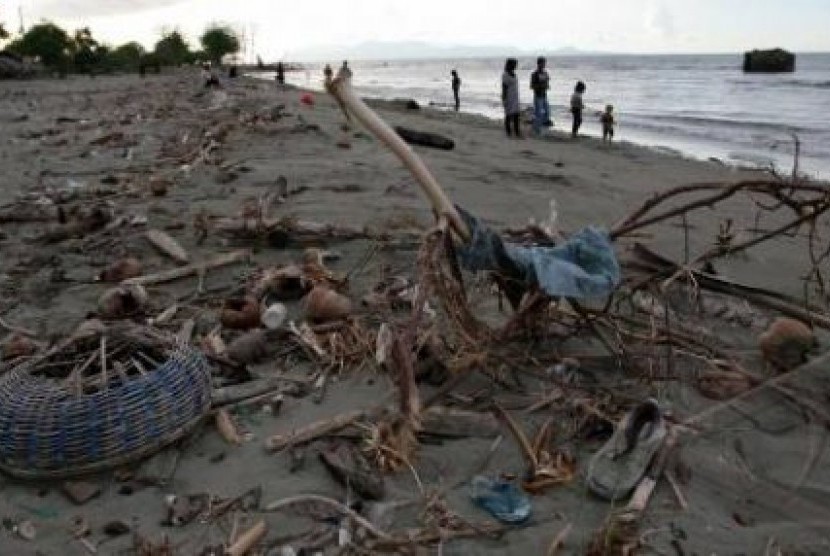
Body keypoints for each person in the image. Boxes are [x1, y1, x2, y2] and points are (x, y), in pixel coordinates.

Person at [530, 56, 551, 134]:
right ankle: (537, 129)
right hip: (538, 95)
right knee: (538, 113)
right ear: (538, 64)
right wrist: (540, 86)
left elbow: (547, 82)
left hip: (544, 95)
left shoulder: (545, 73)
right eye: (542, 63)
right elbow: (532, 86)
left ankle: (541, 126)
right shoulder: (534, 74)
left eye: (544, 63)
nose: (543, 65)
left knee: (547, 112)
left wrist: (546, 85)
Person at [501, 58, 521, 138]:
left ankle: (517, 132)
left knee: (516, 115)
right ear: (510, 65)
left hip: (515, 97)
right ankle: (508, 132)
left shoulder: (514, 74)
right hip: (509, 97)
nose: (515, 66)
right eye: (514, 64)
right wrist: (504, 99)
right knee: (508, 115)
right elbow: (504, 88)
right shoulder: (505, 75)